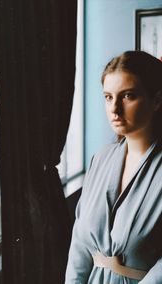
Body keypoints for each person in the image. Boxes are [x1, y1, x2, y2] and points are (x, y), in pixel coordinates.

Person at [65, 50, 162, 283]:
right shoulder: (101, 159)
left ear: (157, 100)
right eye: (108, 97)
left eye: (127, 96)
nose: (114, 108)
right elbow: (79, 243)